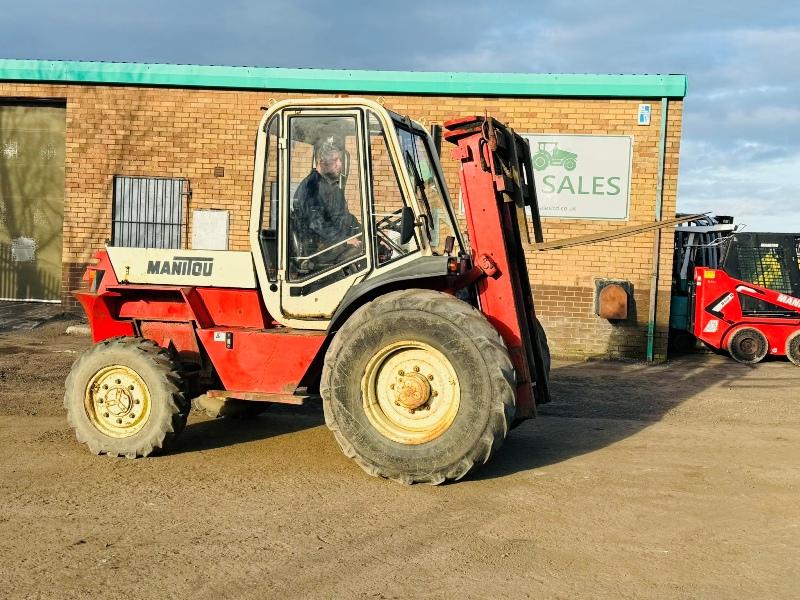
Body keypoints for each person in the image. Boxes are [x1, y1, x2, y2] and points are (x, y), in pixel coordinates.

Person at [291, 137, 362, 273]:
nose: (340, 164)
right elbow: (316, 222)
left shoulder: (332, 187)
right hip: (318, 249)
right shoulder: (311, 187)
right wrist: (343, 240)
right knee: (362, 252)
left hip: (331, 242)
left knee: (371, 246)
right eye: (335, 160)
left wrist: (366, 233)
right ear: (322, 162)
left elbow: (344, 217)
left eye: (340, 160)